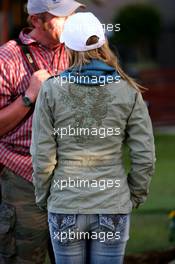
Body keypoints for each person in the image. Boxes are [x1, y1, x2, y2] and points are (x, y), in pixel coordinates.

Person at [31, 12, 156, 264]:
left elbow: (42, 155)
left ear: (66, 46)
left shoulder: (51, 90)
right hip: (112, 204)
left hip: (66, 203)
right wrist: (134, 196)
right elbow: (145, 156)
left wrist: (45, 197)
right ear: (103, 43)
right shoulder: (128, 89)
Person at [0, 0, 85, 263]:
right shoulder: (8, 57)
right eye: (61, 16)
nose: (69, 21)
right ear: (36, 20)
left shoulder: (79, 52)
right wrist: (29, 95)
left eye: (71, 14)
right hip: (24, 178)